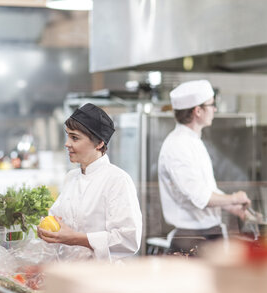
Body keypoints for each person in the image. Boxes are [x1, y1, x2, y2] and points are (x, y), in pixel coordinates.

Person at [38, 103, 142, 262]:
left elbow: (128, 239)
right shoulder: (71, 177)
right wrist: (46, 230)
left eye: (74, 138)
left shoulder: (117, 180)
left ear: (99, 143)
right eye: (67, 136)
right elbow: (57, 220)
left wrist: (76, 238)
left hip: (100, 279)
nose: (67, 143)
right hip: (68, 274)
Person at [158, 80, 251, 244]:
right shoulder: (178, 145)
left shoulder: (193, 141)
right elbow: (200, 197)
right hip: (193, 239)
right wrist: (233, 198)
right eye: (212, 105)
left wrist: (232, 207)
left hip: (207, 234)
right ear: (198, 111)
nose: (215, 109)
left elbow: (207, 190)